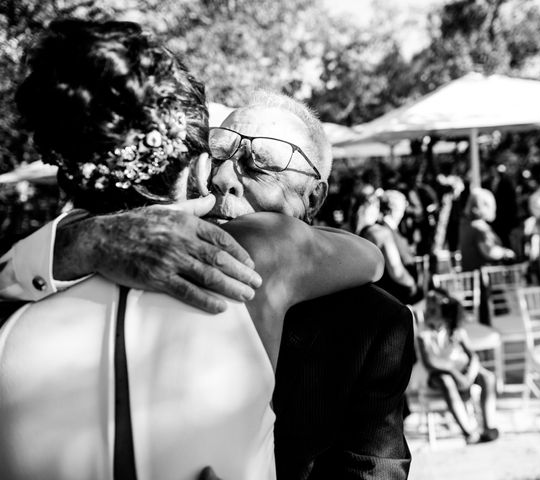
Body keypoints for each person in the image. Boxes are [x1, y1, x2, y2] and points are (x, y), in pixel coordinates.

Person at [0, 19, 385, 480]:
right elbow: (371, 256)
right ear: (197, 162)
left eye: (257, 165)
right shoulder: (261, 253)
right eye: (222, 155)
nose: (225, 176)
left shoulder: (15, 310)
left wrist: (77, 240)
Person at [416, 289, 499, 444]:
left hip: (459, 369)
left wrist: (469, 374)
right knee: (446, 381)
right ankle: (468, 430)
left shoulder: (455, 330)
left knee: (487, 377)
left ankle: (489, 425)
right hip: (436, 373)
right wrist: (455, 373)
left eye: (436, 308)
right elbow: (430, 362)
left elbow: (473, 356)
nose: (432, 312)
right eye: (431, 308)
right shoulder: (424, 333)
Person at [358, 189, 422, 305]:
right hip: (396, 294)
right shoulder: (382, 231)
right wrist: (412, 284)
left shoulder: (382, 229)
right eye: (402, 207)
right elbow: (396, 270)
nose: (404, 211)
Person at [458, 188, 515, 272]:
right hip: (483, 275)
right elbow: (489, 251)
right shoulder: (480, 227)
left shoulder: (465, 225)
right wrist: (505, 253)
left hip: (471, 274)